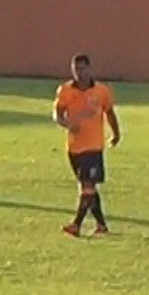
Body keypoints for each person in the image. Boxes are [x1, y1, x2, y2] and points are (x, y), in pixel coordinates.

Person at [53, 54, 121, 238]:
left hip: (93, 147)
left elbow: (110, 112)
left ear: (90, 69)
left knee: (88, 186)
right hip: (74, 147)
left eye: (82, 69)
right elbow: (58, 114)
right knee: (87, 187)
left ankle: (76, 225)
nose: (79, 73)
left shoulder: (101, 91)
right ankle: (101, 225)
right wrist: (67, 124)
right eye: (76, 69)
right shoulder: (65, 90)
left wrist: (116, 134)